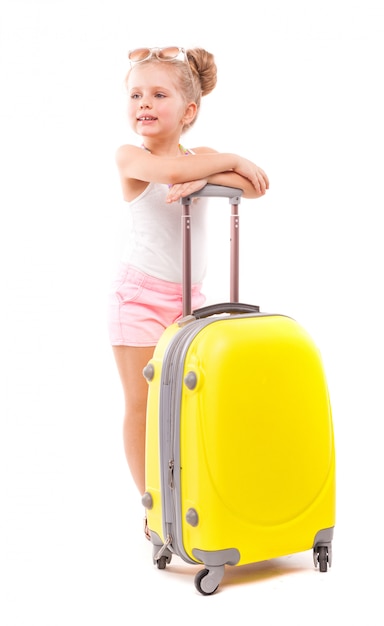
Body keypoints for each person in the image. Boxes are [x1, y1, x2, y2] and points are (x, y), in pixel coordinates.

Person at [108, 46, 269, 517]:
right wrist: (226, 163)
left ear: (189, 111)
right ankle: (153, 505)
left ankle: (189, 491)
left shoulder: (200, 158)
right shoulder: (130, 158)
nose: (145, 104)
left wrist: (206, 177)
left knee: (186, 397)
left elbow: (255, 185)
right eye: (136, 94)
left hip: (187, 301)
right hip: (138, 299)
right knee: (142, 402)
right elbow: (175, 172)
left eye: (159, 94)